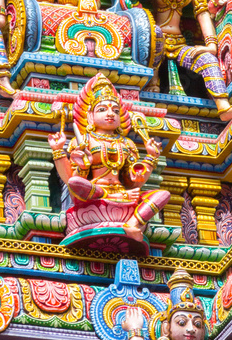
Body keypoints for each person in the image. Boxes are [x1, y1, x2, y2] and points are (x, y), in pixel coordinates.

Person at [47, 73, 170, 242]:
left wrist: (150, 157)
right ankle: (125, 213)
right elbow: (72, 180)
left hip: (123, 196)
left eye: (116, 110)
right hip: (95, 195)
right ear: (90, 115)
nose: (110, 113)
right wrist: (62, 152)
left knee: (162, 195)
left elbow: (133, 182)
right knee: (76, 183)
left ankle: (133, 223)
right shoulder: (84, 141)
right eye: (102, 109)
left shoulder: (127, 144)